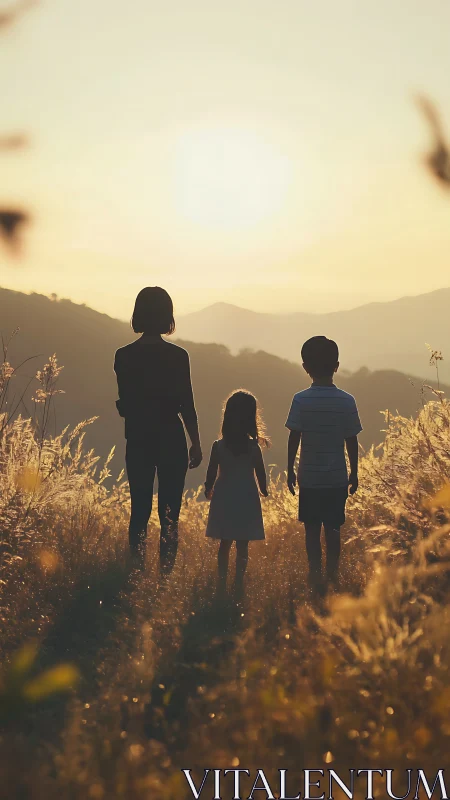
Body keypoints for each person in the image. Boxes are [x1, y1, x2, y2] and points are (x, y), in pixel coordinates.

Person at [114, 287, 202, 572]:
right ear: (168, 315)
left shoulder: (123, 356)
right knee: (170, 513)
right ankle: (166, 576)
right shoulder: (179, 356)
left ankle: (136, 570)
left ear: (138, 314)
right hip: (171, 437)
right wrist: (196, 442)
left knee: (139, 509)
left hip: (138, 436)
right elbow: (186, 403)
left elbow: (125, 403)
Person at [285, 336, 362, 590]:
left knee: (311, 528)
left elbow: (294, 436)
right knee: (333, 528)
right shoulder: (347, 400)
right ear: (337, 366)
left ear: (305, 367)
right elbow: (351, 439)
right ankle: (332, 573)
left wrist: (290, 470)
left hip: (309, 477)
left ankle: (314, 572)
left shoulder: (300, 400)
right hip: (336, 478)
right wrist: (354, 472)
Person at [204, 390, 269, 599]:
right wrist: (264, 488)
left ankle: (222, 582)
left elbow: (212, 470)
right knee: (242, 544)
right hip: (247, 497)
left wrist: (208, 487)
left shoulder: (219, 446)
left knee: (225, 543)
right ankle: (238, 582)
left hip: (224, 497)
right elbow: (260, 471)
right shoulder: (253, 448)